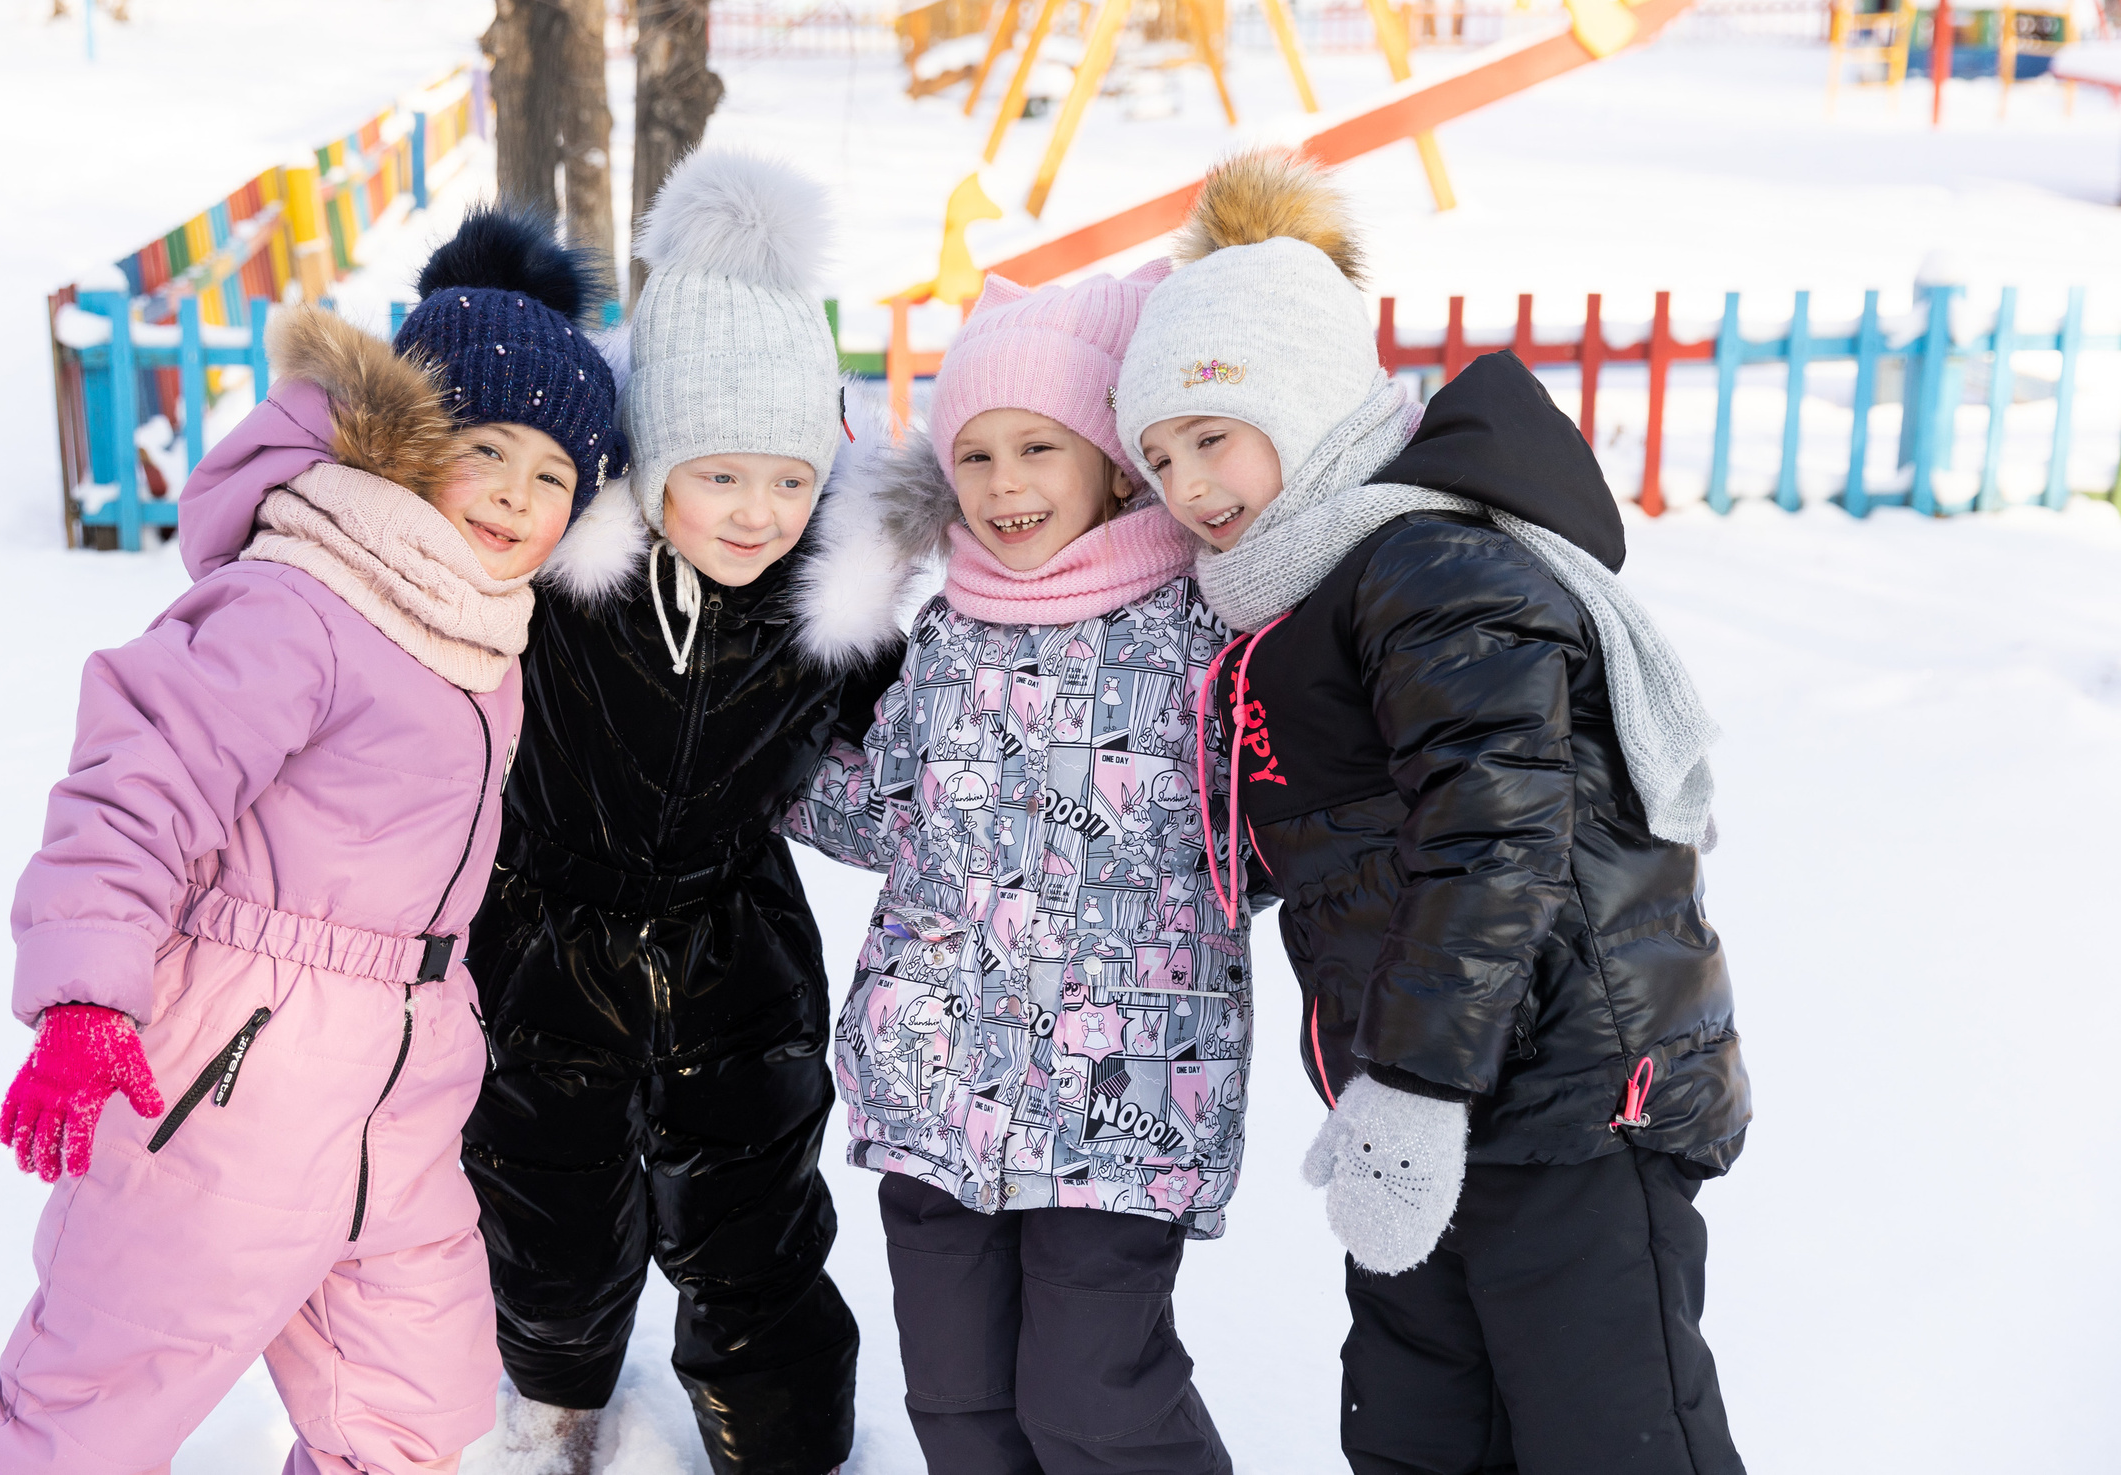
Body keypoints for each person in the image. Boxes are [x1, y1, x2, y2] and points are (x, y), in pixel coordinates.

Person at [0, 208, 620, 1475]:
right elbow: (137, 785)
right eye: (487, 449)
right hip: (230, 1079)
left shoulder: (483, 629)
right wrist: (86, 996)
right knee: (92, 1410)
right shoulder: (301, 596)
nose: (517, 495)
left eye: (553, 475)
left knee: (411, 1414)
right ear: (407, 443)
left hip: (402, 1091)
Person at [1114, 149, 1750, 1475]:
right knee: (1422, 1432)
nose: (1186, 485)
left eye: (1212, 436)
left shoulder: (1429, 567)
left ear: (1304, 404)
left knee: (1608, 1438)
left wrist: (1412, 1085)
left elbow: (1493, 837)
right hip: (1433, 1095)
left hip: (1571, 1100)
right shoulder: (1304, 595)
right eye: (1158, 454)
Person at [463, 148, 926, 1475]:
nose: (758, 513)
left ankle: (787, 1445)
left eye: (789, 478)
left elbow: (922, 737)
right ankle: (555, 1405)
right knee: (551, 1218)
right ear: (657, 454)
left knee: (756, 1227)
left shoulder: (827, 606)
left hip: (736, 951)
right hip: (547, 938)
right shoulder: (565, 584)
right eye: (720, 475)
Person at [784, 261, 1244, 1475]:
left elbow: (1261, 833)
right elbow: (890, 816)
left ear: (1115, 464)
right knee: (960, 1405)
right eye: (975, 456)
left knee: (1097, 1404)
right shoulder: (949, 631)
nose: (1003, 486)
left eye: (1038, 448)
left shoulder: (1199, 629)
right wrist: (750, 762)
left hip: (1119, 1103)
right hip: (936, 1087)